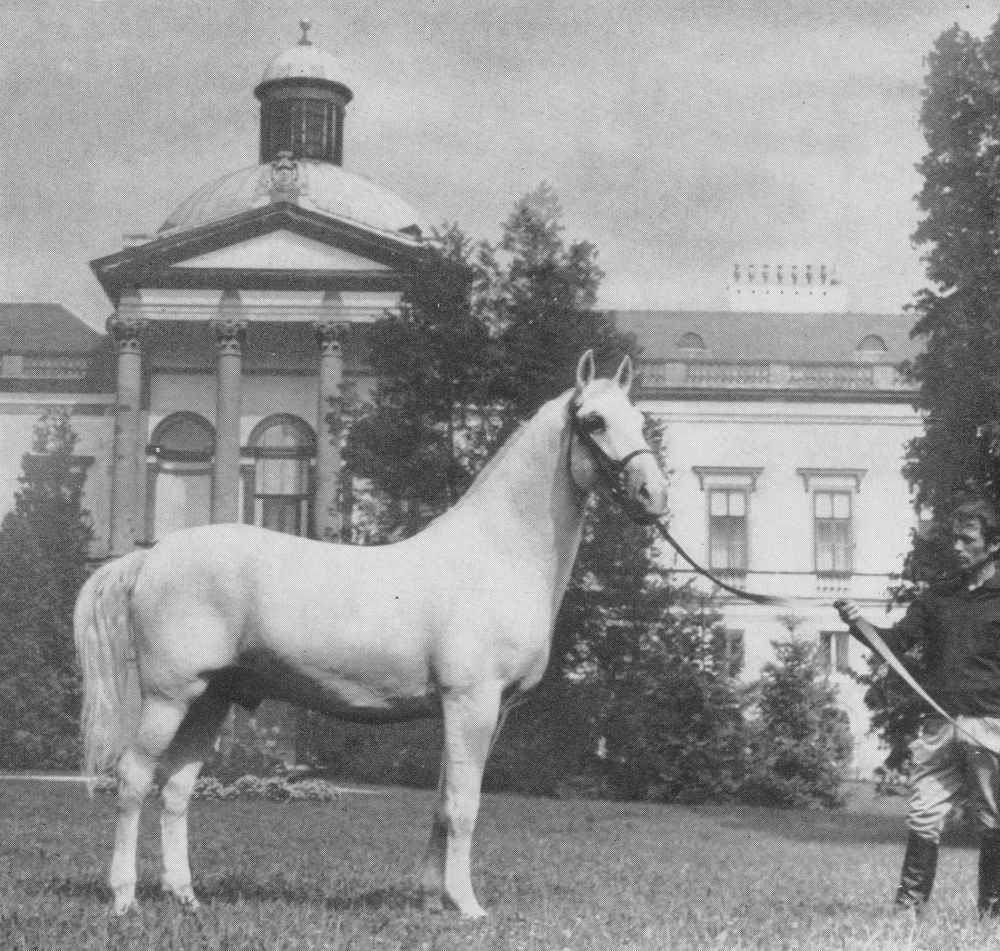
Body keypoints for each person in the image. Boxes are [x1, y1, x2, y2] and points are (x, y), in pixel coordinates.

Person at [835, 498, 1000, 917]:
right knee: (924, 814)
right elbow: (895, 644)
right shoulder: (936, 598)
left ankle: (992, 914)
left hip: (991, 725)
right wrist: (859, 625)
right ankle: (908, 910)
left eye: (969, 540)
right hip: (938, 725)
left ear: (993, 545)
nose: (958, 547)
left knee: (993, 822)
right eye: (954, 539)